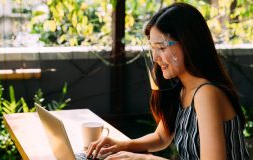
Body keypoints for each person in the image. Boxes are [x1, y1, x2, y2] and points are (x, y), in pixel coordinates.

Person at [86, 2, 250, 160]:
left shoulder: (206, 93)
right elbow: (161, 137)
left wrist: (144, 159)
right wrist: (122, 145)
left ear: (188, 44)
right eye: (153, 49)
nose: (156, 58)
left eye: (162, 48)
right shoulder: (182, 89)